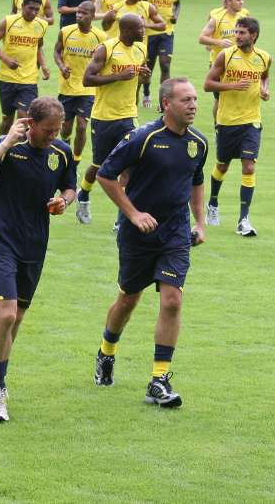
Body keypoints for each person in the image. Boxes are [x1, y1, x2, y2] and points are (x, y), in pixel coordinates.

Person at [92, 77, 207, 409]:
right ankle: (106, 351)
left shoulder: (198, 143)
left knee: (172, 301)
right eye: (185, 99)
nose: (193, 105)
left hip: (175, 234)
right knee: (128, 299)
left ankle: (159, 379)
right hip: (138, 234)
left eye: (195, 99)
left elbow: (196, 181)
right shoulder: (143, 137)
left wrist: (199, 222)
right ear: (166, 103)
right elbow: (105, 175)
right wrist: (133, 213)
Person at [0, 98, 76, 422]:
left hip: (35, 242)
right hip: (0, 237)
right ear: (30, 123)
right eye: (48, 130)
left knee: (18, 317)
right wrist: (6, 143)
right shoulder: (9, 145)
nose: (53, 136)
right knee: (6, 314)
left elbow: (70, 187)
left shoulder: (61, 153)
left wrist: (63, 202)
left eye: (58, 131)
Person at [76, 14, 150, 226]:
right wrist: (118, 76)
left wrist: (143, 77)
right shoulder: (106, 49)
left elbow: (138, 77)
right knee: (99, 166)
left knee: (131, 167)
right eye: (140, 28)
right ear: (126, 30)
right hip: (104, 117)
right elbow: (87, 79)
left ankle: (122, 219)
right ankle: (84, 194)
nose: (143, 30)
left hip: (128, 116)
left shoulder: (141, 49)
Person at [203, 17, 271, 237]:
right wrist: (232, 85)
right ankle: (212, 202)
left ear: (253, 35)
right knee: (222, 165)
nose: (237, 36)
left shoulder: (264, 58)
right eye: (236, 32)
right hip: (227, 121)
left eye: (242, 33)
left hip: (251, 121)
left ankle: (243, 219)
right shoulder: (226, 55)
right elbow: (207, 84)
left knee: (249, 166)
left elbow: (264, 76)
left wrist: (264, 88)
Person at [0, 0, 51, 135]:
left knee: (24, 118)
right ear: (22, 6)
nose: (34, 12)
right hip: (7, 78)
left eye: (37, 9)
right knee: (7, 120)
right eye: (31, 8)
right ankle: (2, 147)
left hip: (29, 79)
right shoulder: (8, 22)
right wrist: (6, 59)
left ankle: (20, 153)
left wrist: (44, 65)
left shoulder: (41, 25)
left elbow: (38, 46)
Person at [54, 1, 106, 169]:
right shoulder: (66, 32)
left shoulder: (101, 37)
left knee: (82, 126)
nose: (79, 16)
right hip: (67, 87)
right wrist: (62, 66)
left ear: (92, 16)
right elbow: (57, 51)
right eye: (77, 13)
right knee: (66, 128)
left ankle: (75, 160)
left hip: (88, 89)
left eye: (83, 13)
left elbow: (105, 61)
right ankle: (66, 145)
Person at [198, 0, 250, 122]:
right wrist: (218, 42)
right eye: (238, 0)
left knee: (238, 95)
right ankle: (218, 126)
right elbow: (202, 38)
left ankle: (238, 121)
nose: (242, 2)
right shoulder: (217, 18)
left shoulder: (244, 17)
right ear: (228, 2)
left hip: (239, 63)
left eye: (242, 0)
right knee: (220, 98)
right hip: (219, 64)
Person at [143, 0, 181, 109]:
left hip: (167, 32)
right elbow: (142, 6)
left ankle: (163, 100)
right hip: (150, 33)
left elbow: (178, 5)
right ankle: (146, 93)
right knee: (149, 67)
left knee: (165, 65)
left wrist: (175, 16)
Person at [101, 0, 165, 42]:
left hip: (140, 49)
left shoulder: (147, 7)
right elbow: (105, 28)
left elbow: (163, 25)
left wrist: (146, 25)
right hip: (121, 47)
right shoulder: (117, 7)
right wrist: (106, 19)